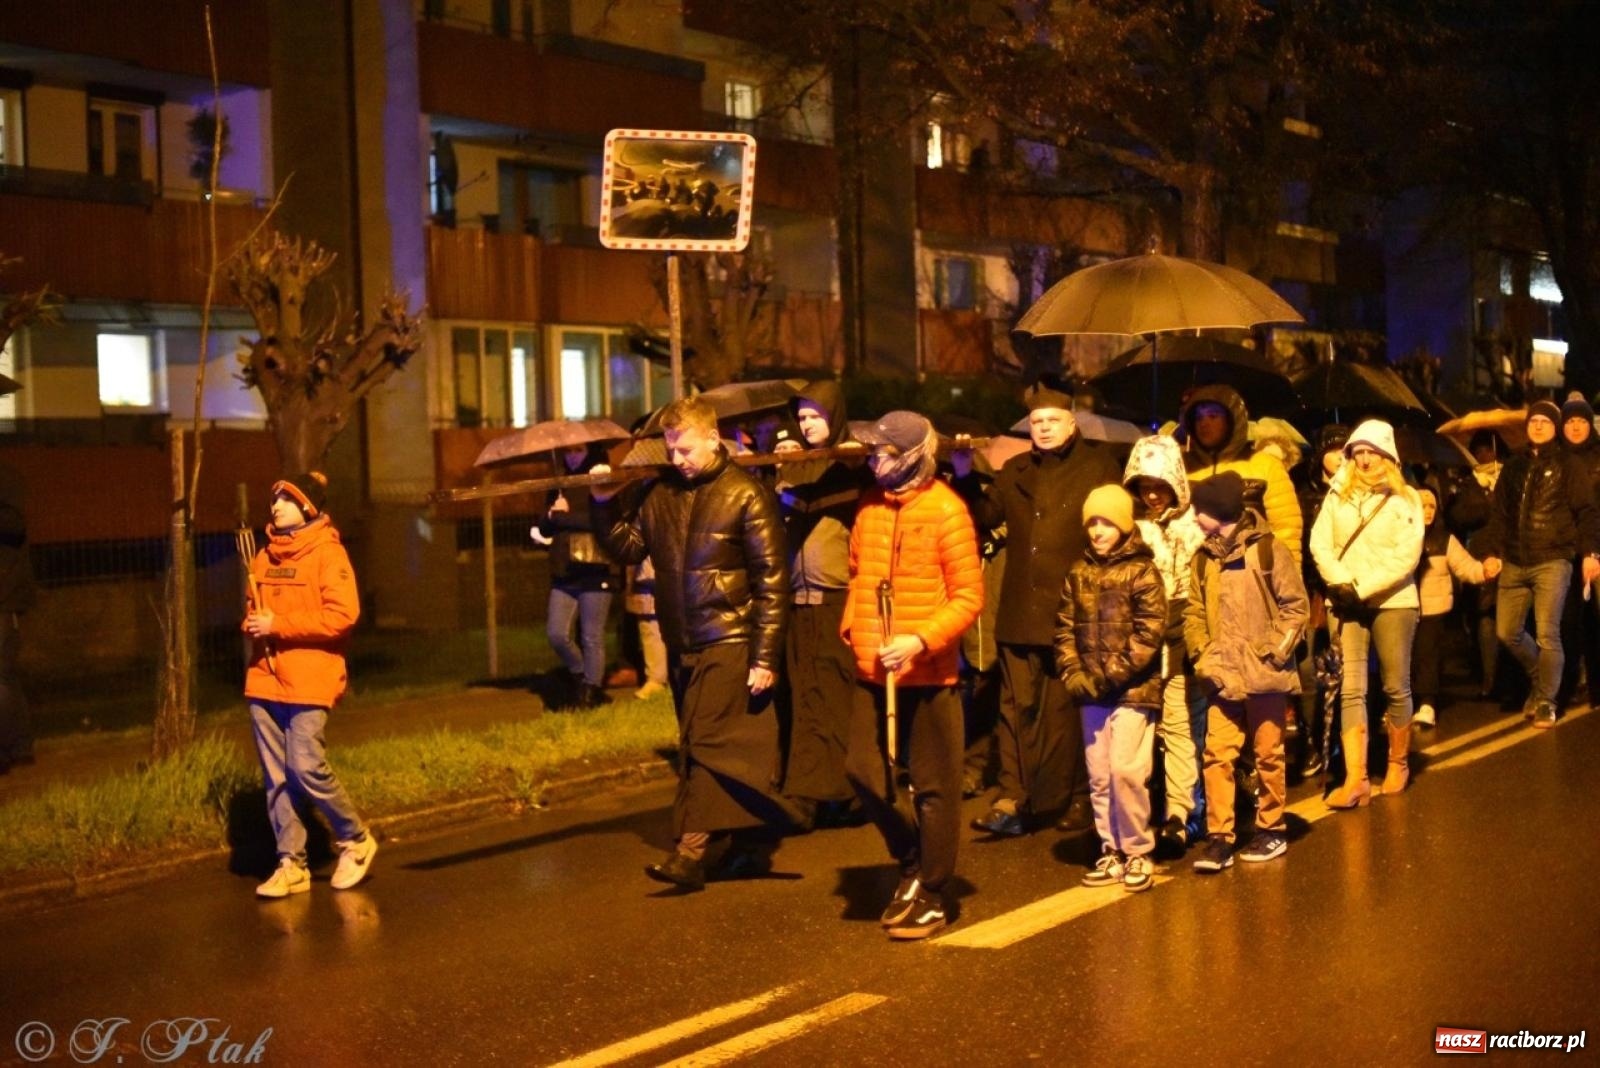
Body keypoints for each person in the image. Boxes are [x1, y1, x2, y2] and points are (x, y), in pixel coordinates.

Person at [593, 396, 792, 890]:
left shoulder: (746, 494)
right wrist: (600, 505)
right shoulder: (660, 493)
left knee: (704, 743)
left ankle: (691, 851)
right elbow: (628, 547)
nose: (677, 459)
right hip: (683, 638)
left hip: (731, 636)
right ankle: (745, 841)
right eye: (671, 449)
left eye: (685, 449)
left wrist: (765, 656)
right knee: (705, 743)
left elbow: (772, 580)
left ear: (711, 437)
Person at [955, 381, 1121, 837]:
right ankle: (1013, 798)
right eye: (1036, 423)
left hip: (1074, 609)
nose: (1044, 429)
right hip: (1020, 609)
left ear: (1071, 423)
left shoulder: (1098, 467)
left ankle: (1076, 797)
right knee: (1014, 708)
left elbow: (1117, 529)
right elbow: (988, 517)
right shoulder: (1015, 469)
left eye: (1052, 421)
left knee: (1070, 709)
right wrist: (966, 475)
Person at [842, 411, 982, 939]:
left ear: (910, 456)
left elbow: (970, 595)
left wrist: (920, 640)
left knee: (935, 786)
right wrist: (855, 632)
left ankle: (933, 888)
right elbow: (859, 574)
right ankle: (910, 859)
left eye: (880, 451)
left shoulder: (947, 511)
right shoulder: (870, 507)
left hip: (930, 674)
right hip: (871, 668)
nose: (871, 459)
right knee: (863, 771)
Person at [244, 471, 376, 898]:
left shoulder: (327, 554)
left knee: (305, 766)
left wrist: (277, 624)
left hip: (309, 678)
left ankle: (355, 838)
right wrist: (252, 623)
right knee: (277, 777)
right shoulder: (264, 557)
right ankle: (291, 864)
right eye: (275, 498)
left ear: (307, 507)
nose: (275, 506)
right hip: (264, 678)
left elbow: (343, 616)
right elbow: (256, 610)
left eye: (285, 499)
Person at [1185, 471, 1308, 871]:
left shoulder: (1269, 550)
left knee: (1268, 753)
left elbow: (1296, 609)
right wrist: (1203, 655)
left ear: (1217, 511)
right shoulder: (1203, 558)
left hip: (1262, 675)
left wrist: (1271, 652)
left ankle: (1271, 827)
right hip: (1221, 676)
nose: (1194, 517)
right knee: (1217, 754)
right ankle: (1220, 837)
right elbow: (1194, 612)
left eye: (1198, 510)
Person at [1055, 484, 1166, 891]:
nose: (1098, 531)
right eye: (1092, 523)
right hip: (1091, 692)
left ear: (1123, 524)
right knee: (1099, 773)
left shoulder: (1142, 571)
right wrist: (1072, 672)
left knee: (1126, 770)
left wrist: (1105, 676)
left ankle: (1138, 849)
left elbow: (1148, 634)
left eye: (1106, 522)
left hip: (1133, 691)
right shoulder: (1078, 571)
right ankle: (1111, 848)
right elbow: (1064, 628)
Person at [1310, 420, 1425, 805]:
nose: (1363, 459)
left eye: (1370, 452)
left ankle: (1397, 762)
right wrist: (1341, 584)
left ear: (1387, 455)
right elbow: (1319, 543)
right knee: (1351, 688)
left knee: (1395, 685)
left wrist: (1361, 588)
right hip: (1345, 602)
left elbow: (1405, 557)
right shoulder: (1337, 494)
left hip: (1393, 602)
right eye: (1357, 452)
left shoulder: (1405, 497)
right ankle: (1355, 778)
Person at [774, 381, 871, 828]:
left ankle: (847, 792)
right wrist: (785, 466)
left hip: (838, 597)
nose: (809, 424)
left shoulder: (855, 466)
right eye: (804, 417)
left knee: (838, 696)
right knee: (804, 695)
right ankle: (809, 790)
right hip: (799, 598)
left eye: (816, 416)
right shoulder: (791, 466)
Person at [1478, 400, 1600, 728]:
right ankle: (1541, 678)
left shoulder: (1568, 463)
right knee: (1507, 631)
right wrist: (1491, 552)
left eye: (1547, 422)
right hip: (1515, 561)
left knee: (1548, 634)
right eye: (1535, 422)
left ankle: (1547, 699)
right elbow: (1499, 515)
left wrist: (1590, 554)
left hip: (1553, 559)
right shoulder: (1514, 465)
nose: (1539, 426)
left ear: (1554, 428)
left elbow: (1587, 512)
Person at [1121, 435, 1205, 854]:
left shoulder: (1195, 527)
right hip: (1137, 642)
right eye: (1144, 486)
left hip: (1180, 640)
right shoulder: (1129, 527)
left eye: (1161, 485)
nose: (1152, 495)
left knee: (1178, 727)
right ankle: (1135, 813)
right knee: (1137, 730)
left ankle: (1179, 812)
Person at [531, 445, 618, 709]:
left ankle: (591, 692)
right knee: (556, 633)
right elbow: (544, 527)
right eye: (568, 451)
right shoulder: (558, 485)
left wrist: (563, 517)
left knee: (592, 636)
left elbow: (603, 522)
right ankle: (582, 676)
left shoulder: (600, 480)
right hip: (564, 571)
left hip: (595, 569)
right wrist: (551, 514)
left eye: (578, 450)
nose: (572, 456)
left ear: (589, 451)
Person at [1176, 385, 1303, 564]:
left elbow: (1286, 530)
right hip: (1197, 577)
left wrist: (1288, 580)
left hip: (1251, 574)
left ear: (1232, 419)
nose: (1204, 423)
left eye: (1213, 416)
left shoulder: (1265, 465)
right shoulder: (1182, 468)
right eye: (1197, 418)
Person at [1411, 481, 1487, 729]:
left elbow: (1465, 567)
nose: (1428, 511)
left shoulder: (1444, 540)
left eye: (1432, 505)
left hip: (1433, 610)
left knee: (1427, 655)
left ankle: (1427, 703)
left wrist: (1484, 571)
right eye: (1422, 506)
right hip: (1403, 609)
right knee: (1405, 658)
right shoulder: (1400, 538)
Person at [1558, 395, 1600, 710]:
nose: (1575, 426)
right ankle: (1574, 680)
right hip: (1566, 550)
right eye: (1570, 421)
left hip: (1596, 548)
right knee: (1569, 621)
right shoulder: (1556, 458)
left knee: (1596, 619)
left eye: (1581, 421)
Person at [0, 460, 34, 774]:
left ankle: (15, 747)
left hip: (4, 594)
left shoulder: (6, 475)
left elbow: (15, 524)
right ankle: (17, 746)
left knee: (2, 674)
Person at [625, 557, 669, 700]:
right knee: (649, 625)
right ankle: (656, 678)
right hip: (645, 570)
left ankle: (660, 677)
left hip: (668, 567)